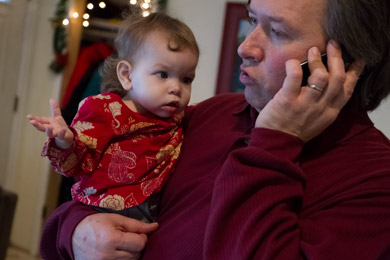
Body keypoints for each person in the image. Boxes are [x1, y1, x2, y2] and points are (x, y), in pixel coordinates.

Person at [40, 0, 390, 259]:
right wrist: (75, 232)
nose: (245, 46)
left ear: (342, 62)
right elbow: (95, 195)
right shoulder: (213, 113)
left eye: (278, 31)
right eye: (253, 20)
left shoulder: (376, 181)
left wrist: (275, 142)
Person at [27, 12, 199, 223]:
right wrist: (66, 140)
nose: (177, 88)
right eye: (163, 74)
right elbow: (77, 163)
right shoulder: (105, 110)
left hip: (153, 213)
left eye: (186, 79)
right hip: (103, 210)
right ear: (127, 75)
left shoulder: (179, 117)